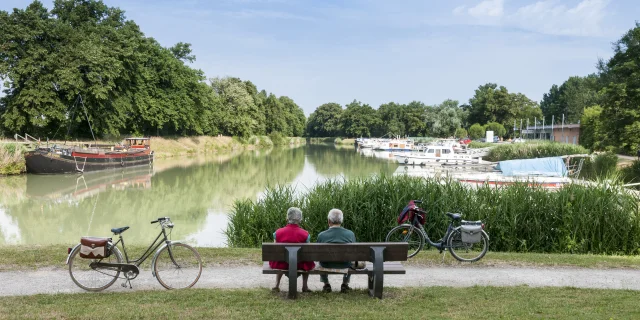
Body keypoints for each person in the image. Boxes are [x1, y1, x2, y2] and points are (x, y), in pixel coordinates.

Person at [269, 207, 315, 293]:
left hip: (281, 264)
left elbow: (276, 251)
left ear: (287, 218)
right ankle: (305, 286)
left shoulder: (278, 233)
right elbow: (307, 253)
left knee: (279, 258)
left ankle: (276, 285)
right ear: (300, 220)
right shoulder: (305, 234)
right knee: (308, 260)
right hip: (299, 264)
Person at [317, 208, 357, 293]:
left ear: (329, 221)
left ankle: (326, 284)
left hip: (326, 264)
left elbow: (318, 254)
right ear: (341, 221)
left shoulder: (321, 235)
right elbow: (354, 252)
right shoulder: (350, 234)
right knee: (350, 259)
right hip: (345, 264)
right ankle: (345, 284)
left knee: (321, 260)